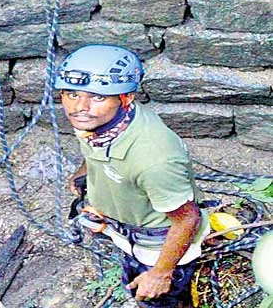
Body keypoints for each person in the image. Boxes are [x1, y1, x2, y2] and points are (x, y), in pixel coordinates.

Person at [57, 44, 209, 308]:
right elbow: (92, 146)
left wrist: (160, 273)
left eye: (98, 97)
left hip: (157, 246)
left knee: (160, 299)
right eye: (71, 94)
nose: (80, 107)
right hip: (125, 231)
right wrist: (84, 173)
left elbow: (187, 219)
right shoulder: (98, 125)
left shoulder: (155, 158)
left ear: (124, 98)